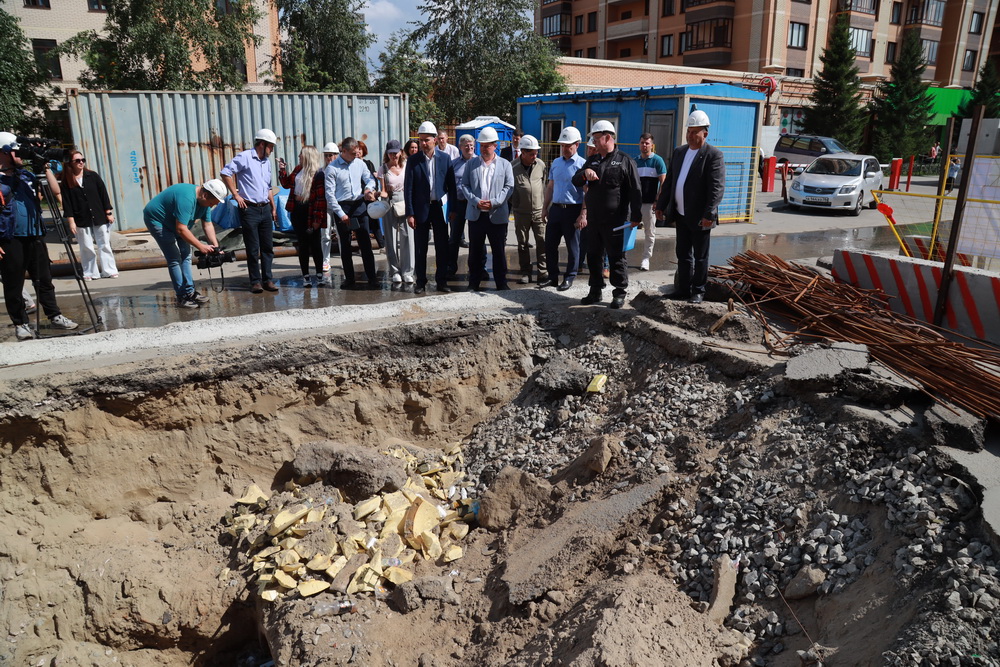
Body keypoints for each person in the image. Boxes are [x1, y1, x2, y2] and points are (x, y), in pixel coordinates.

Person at [0, 132, 78, 340]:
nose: (22, 155)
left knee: (44, 279)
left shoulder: (26, 175)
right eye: (17, 152)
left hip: (35, 234)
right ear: (4, 153)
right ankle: (21, 323)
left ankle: (55, 315)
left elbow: (53, 190)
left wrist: (44, 166)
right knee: (14, 283)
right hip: (10, 238)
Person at [654, 110, 726, 304]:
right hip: (681, 213)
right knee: (683, 254)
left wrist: (709, 213)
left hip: (701, 216)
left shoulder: (713, 155)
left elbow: (717, 188)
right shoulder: (680, 152)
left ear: (705, 133)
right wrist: (661, 205)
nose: (690, 136)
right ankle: (683, 289)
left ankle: (699, 290)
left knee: (700, 257)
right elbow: (670, 181)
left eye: (695, 132)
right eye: (689, 131)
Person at [572, 120, 642, 309]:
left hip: (616, 220)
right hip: (594, 220)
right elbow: (575, 180)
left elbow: (635, 190)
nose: (594, 142)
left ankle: (619, 292)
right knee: (593, 255)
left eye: (596, 138)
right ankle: (595, 290)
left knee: (616, 256)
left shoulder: (625, 161)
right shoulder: (593, 160)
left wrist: (636, 216)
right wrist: (585, 173)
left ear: (608, 137)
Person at [143, 179, 225, 309]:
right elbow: (181, 229)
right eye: (211, 203)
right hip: (158, 221)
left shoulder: (205, 202)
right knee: (175, 259)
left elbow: (207, 225)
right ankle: (182, 296)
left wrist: (215, 247)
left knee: (186, 255)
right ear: (205, 195)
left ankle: (190, 292)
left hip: (179, 222)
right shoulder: (187, 199)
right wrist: (201, 246)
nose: (211, 206)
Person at [221, 128, 278, 294]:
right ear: (262, 144)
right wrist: (236, 195)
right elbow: (225, 173)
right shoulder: (245, 157)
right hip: (249, 209)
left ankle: (268, 279)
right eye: (271, 146)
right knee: (253, 248)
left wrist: (273, 206)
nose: (272, 150)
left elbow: (268, 187)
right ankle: (255, 281)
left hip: (265, 208)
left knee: (267, 247)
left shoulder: (267, 162)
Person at [404, 121, 457, 294]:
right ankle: (420, 282)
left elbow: (451, 186)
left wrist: (453, 209)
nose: (423, 143)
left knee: (442, 246)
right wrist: (410, 213)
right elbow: (408, 188)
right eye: (421, 140)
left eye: (426, 140)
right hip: (421, 209)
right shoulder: (413, 160)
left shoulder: (445, 159)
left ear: (435, 140)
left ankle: (441, 280)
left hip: (439, 209)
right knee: (421, 248)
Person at [459, 126, 514, 292]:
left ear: (495, 145)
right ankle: (473, 283)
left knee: (498, 251)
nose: (483, 148)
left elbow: (509, 187)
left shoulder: (505, 164)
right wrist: (476, 201)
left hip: (497, 215)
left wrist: (494, 202)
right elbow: (464, 185)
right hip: (476, 215)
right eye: (482, 145)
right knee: (475, 252)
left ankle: (501, 283)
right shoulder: (471, 164)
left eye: (487, 145)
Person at [326, 137, 379, 288]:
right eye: (353, 153)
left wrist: (368, 189)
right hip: (342, 207)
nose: (356, 155)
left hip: (359, 205)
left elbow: (370, 179)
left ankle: (372, 277)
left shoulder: (360, 163)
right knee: (345, 244)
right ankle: (349, 278)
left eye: (357, 153)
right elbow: (329, 195)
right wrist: (341, 214)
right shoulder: (332, 168)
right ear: (344, 151)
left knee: (365, 243)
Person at [540, 126, 587, 292]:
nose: (565, 148)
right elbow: (550, 186)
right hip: (556, 209)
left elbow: (587, 192)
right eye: (563, 145)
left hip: (573, 210)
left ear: (577, 144)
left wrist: (583, 214)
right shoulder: (556, 163)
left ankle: (569, 276)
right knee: (550, 244)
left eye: (568, 145)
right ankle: (553, 277)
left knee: (572, 246)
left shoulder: (583, 165)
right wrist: (545, 208)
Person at [61, 149, 119, 281]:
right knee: (86, 246)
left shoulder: (92, 176)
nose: (81, 162)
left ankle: (109, 270)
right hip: (81, 217)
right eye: (77, 160)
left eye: (83, 160)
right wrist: (71, 221)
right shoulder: (67, 181)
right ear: (70, 163)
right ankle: (90, 272)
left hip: (99, 215)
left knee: (104, 244)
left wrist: (108, 212)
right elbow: (67, 203)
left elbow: (103, 194)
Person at [278, 146, 325, 286]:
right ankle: (306, 276)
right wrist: (282, 170)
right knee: (302, 245)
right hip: (297, 209)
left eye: (301, 154)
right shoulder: (298, 169)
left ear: (308, 156)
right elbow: (286, 184)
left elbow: (320, 199)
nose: (299, 156)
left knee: (315, 244)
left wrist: (317, 219)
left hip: (311, 210)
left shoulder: (318, 174)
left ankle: (319, 274)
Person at [510, 134, 548, 284]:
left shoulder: (541, 165)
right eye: (531, 153)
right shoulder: (512, 167)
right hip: (521, 213)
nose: (535, 156)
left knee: (542, 241)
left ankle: (543, 271)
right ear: (523, 152)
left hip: (539, 211)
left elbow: (544, 184)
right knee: (522, 243)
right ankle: (525, 271)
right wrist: (516, 203)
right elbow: (508, 188)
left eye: (536, 153)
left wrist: (544, 206)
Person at [377, 140, 414, 284]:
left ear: (401, 152)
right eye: (390, 153)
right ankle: (394, 271)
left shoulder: (407, 165)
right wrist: (379, 194)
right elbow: (383, 190)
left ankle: (408, 271)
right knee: (390, 238)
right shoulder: (383, 168)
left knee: (407, 236)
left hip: (405, 201)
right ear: (387, 153)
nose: (393, 155)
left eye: (396, 152)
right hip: (390, 202)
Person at [448, 134, 482, 280]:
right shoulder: (454, 164)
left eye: (471, 145)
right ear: (460, 147)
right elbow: (449, 186)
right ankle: (451, 267)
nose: (469, 148)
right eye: (466, 145)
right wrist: (451, 207)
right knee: (454, 238)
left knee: (477, 237)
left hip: (475, 204)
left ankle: (479, 268)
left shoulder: (480, 162)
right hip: (459, 204)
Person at [635, 133, 667, 272]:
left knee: (649, 232)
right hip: (636, 203)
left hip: (650, 204)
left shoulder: (657, 161)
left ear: (652, 145)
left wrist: (657, 201)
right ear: (639, 144)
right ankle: (622, 256)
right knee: (628, 230)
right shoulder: (635, 161)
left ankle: (646, 259)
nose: (644, 145)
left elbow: (663, 182)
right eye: (642, 142)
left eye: (647, 143)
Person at [317, 142, 341, 279]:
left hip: (338, 206)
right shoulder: (321, 171)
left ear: (336, 155)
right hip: (325, 207)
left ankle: (344, 258)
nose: (328, 158)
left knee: (341, 234)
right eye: (326, 155)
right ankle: (325, 260)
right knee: (325, 235)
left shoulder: (340, 169)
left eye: (330, 155)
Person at [358, 140, 385, 250]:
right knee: (363, 224)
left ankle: (382, 245)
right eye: (357, 149)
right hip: (359, 197)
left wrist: (374, 193)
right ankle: (364, 247)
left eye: (360, 149)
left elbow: (373, 179)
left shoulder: (368, 163)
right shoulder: (351, 165)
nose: (358, 151)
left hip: (370, 196)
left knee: (375, 222)